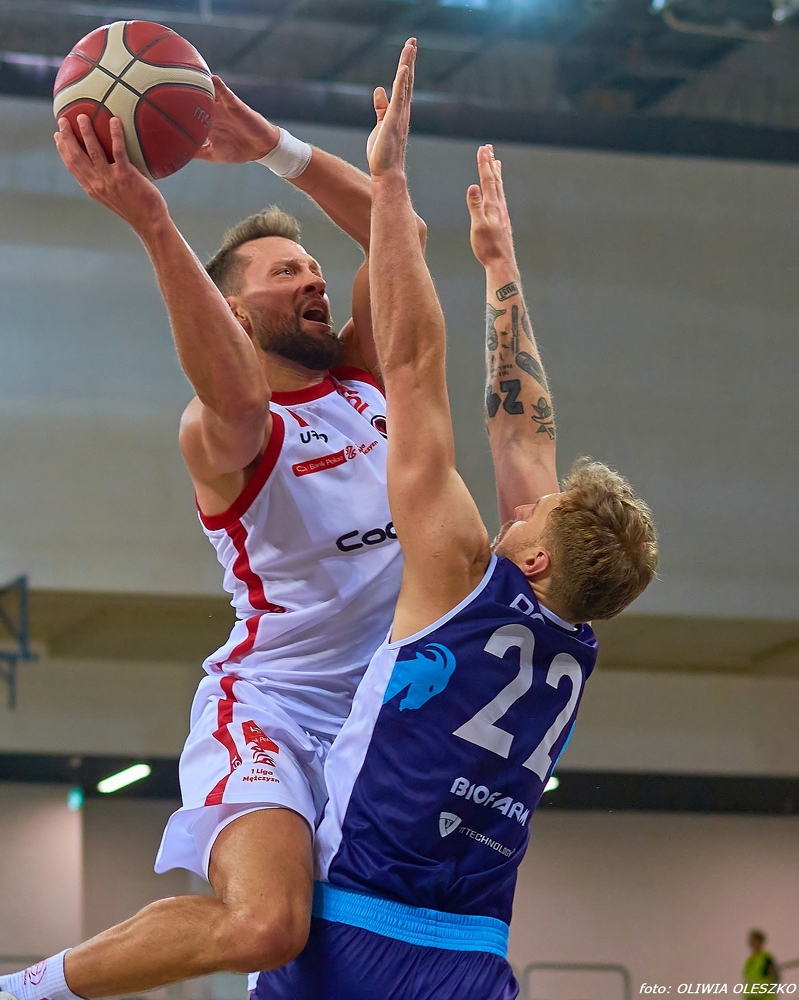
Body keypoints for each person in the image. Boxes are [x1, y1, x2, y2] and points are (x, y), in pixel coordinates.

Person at [0, 77, 424, 1000]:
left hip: (381, 715)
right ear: (232, 311)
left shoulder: (366, 378)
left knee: (365, 946)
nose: (314, 279)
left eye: (312, 268)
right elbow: (232, 395)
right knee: (265, 926)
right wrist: (154, 223)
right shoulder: (229, 432)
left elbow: (399, 235)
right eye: (285, 274)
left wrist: (272, 145)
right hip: (274, 707)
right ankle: (20, 991)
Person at [254, 38, 659, 1000]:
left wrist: (389, 192)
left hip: (354, 923)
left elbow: (410, 370)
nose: (529, 503)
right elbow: (524, 433)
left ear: (538, 561)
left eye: (540, 516)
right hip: (472, 950)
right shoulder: (575, 633)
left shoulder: (457, 578)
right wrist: (499, 264)